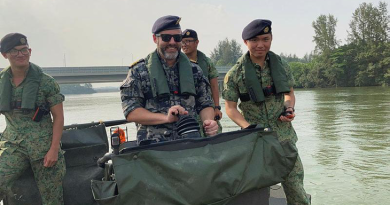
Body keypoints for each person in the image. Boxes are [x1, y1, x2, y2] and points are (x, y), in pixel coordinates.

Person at [222, 19, 310, 204]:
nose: (260, 45)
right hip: (255, 141)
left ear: (271, 39)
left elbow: (289, 94)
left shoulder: (282, 66)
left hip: (284, 138)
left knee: (296, 189)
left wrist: (289, 108)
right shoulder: (235, 74)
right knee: (257, 193)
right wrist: (248, 127)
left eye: (265, 39)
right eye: (254, 40)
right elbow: (230, 108)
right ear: (246, 42)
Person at [120, 15, 218, 143]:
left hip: (190, 144)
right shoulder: (138, 71)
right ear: (155, 38)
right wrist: (166, 118)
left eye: (177, 38)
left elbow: (205, 104)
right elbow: (131, 112)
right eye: (166, 38)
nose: (172, 42)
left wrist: (208, 121)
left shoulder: (195, 70)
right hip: (153, 148)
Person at [0, 33, 66, 205]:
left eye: (24, 50)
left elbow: (58, 117)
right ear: (4, 55)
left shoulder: (46, 82)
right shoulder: (1, 83)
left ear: (30, 51)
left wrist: (53, 149)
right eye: (15, 51)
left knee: (52, 199)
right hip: (13, 146)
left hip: (43, 148)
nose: (21, 54)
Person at [181, 29, 223, 135]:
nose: (184, 44)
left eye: (188, 41)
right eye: (182, 41)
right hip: (188, 108)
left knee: (213, 134)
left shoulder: (206, 62)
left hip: (206, 106)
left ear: (197, 42)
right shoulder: (177, 62)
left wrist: (217, 107)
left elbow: (214, 86)